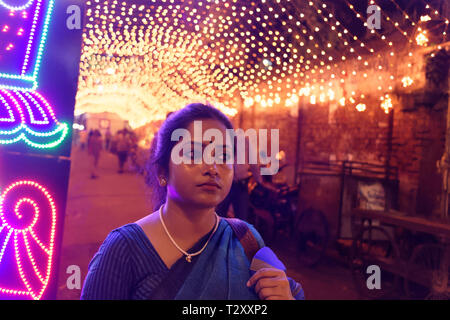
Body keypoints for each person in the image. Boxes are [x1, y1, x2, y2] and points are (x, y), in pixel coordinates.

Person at [81, 103, 304, 300]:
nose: (212, 168)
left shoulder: (246, 239)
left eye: (223, 156)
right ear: (162, 172)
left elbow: (287, 289)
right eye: (194, 154)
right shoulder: (123, 250)